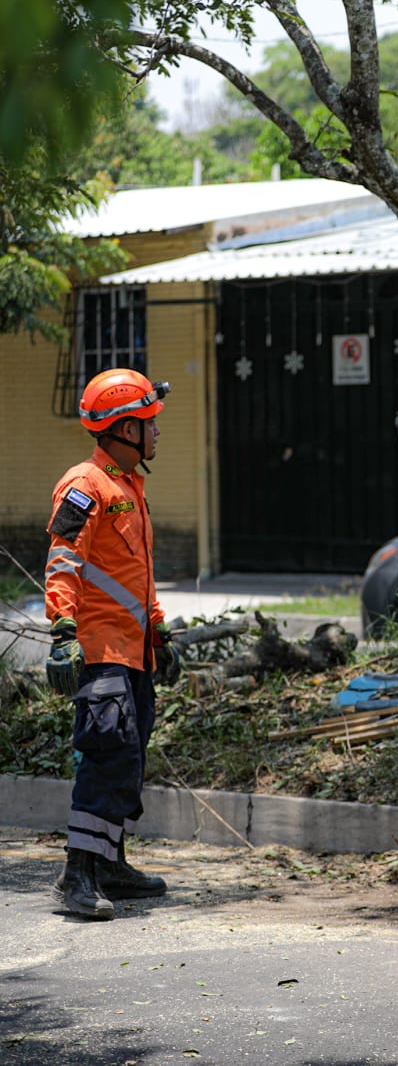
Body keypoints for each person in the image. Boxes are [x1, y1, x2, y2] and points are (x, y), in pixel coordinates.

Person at [44, 368, 181, 920]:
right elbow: (64, 560)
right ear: (124, 429)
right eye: (149, 423)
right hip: (98, 648)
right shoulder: (85, 484)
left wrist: (158, 630)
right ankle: (76, 878)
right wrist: (62, 632)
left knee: (130, 758)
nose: (156, 433)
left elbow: (134, 575)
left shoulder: (130, 488)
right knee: (107, 756)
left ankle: (112, 865)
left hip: (133, 650)